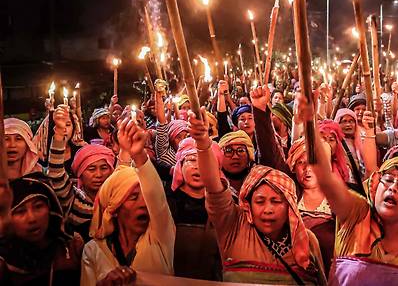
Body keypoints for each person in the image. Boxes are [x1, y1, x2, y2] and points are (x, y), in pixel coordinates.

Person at [192, 108, 327, 285]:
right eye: (260, 201)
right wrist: (202, 143)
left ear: (290, 206)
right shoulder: (234, 227)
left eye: (276, 201)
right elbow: (213, 185)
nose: (268, 210)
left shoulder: (306, 240)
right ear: (248, 204)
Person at [310, 92, 398, 285]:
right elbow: (326, 179)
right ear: (375, 187)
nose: (393, 187)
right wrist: (310, 121)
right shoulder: (356, 217)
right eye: (388, 179)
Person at [81, 117, 175, 285]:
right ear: (115, 208)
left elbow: (156, 197)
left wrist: (139, 155)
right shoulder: (93, 250)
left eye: (145, 197)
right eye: (133, 197)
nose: (144, 203)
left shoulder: (160, 236)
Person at [0, 176, 85, 285]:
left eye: (38, 206)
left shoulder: (71, 246)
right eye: (20, 211)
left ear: (50, 209)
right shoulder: (4, 260)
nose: (32, 218)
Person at [47, 105, 116, 240]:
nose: (98, 174)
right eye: (91, 169)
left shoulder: (117, 198)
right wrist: (60, 133)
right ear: (80, 174)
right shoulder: (73, 199)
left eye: (104, 168)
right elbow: (56, 174)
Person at [167, 137, 222, 280]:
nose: (198, 166)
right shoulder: (166, 202)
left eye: (204, 161)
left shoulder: (222, 207)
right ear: (180, 165)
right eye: (191, 159)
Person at [287, 138, 335, 273]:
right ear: (293, 168)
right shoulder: (288, 197)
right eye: (300, 162)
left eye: (313, 162)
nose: (307, 168)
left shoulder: (338, 200)